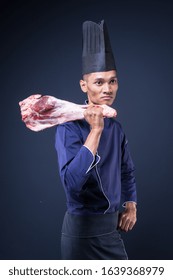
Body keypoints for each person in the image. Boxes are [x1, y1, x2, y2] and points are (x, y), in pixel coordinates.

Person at [55, 20, 137, 260]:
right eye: (99, 82)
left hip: (111, 231)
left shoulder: (116, 128)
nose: (107, 89)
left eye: (112, 81)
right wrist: (95, 131)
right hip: (81, 234)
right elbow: (72, 184)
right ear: (84, 85)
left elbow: (126, 170)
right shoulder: (68, 128)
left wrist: (131, 203)